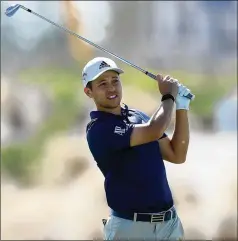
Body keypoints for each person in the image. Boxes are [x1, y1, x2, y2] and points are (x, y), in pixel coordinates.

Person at [83, 57, 193, 240]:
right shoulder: (99, 129)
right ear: (89, 92)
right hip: (131, 229)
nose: (111, 88)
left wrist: (182, 106)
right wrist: (168, 96)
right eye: (102, 83)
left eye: (115, 81)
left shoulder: (139, 116)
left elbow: (177, 154)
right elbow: (155, 129)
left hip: (169, 225)